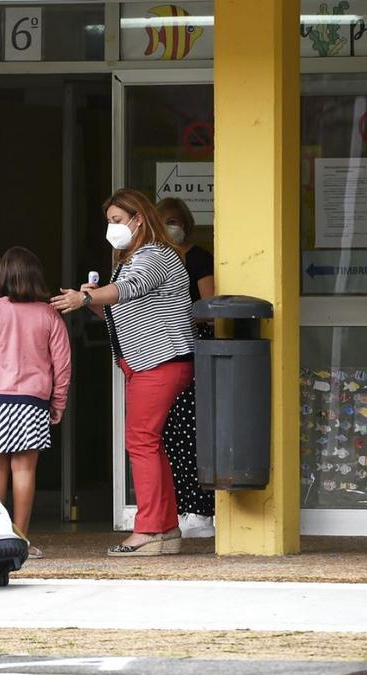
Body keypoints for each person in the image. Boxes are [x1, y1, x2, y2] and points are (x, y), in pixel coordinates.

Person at [51, 188, 194, 557]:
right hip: (152, 363)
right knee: (150, 444)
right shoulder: (132, 258)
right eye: (109, 222)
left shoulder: (154, 256)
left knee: (141, 442)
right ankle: (165, 528)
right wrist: (94, 301)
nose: (111, 228)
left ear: (138, 219)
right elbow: (120, 308)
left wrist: (85, 298)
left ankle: (147, 530)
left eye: (117, 221)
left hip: (158, 361)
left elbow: (130, 290)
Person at [0, 246, 71, 559]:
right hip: (32, 402)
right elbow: (62, 363)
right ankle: (21, 539)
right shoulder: (48, 314)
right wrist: (59, 401)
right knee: (24, 471)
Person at [158, 197, 215, 539]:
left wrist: (180, 314)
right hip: (163, 352)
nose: (171, 227)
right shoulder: (154, 259)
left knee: (192, 433)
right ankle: (178, 508)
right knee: (168, 436)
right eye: (164, 221)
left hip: (193, 351)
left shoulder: (197, 257)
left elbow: (208, 306)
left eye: (175, 220)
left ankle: (201, 510)